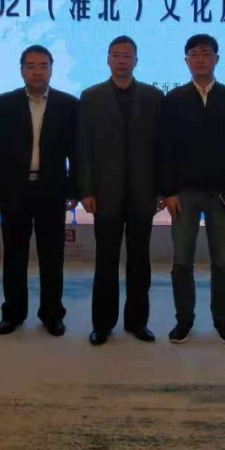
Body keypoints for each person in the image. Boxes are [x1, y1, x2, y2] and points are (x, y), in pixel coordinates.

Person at [0, 45, 78, 337]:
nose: (37, 71)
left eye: (43, 65)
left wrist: (74, 188)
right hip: (14, 190)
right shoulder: (6, 102)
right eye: (31, 66)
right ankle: (13, 313)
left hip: (52, 190)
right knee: (14, 255)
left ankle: (52, 314)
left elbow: (76, 152)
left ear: (51, 69)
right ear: (21, 70)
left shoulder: (68, 104)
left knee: (52, 256)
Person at [161, 34, 225, 346]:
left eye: (206, 53)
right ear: (186, 61)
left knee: (222, 262)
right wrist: (168, 191)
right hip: (184, 194)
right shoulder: (173, 99)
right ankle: (183, 320)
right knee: (181, 262)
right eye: (194, 54)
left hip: (222, 194)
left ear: (216, 59)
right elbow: (165, 149)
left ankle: (222, 320)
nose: (200, 59)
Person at [77, 36, 164, 346]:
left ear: (136, 60)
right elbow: (83, 148)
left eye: (127, 55)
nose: (122, 60)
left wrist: (162, 189)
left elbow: (162, 148)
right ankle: (102, 324)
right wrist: (86, 190)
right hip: (105, 193)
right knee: (106, 261)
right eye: (116, 55)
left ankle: (137, 322)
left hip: (143, 193)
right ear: (108, 59)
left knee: (140, 262)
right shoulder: (91, 96)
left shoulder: (154, 96)